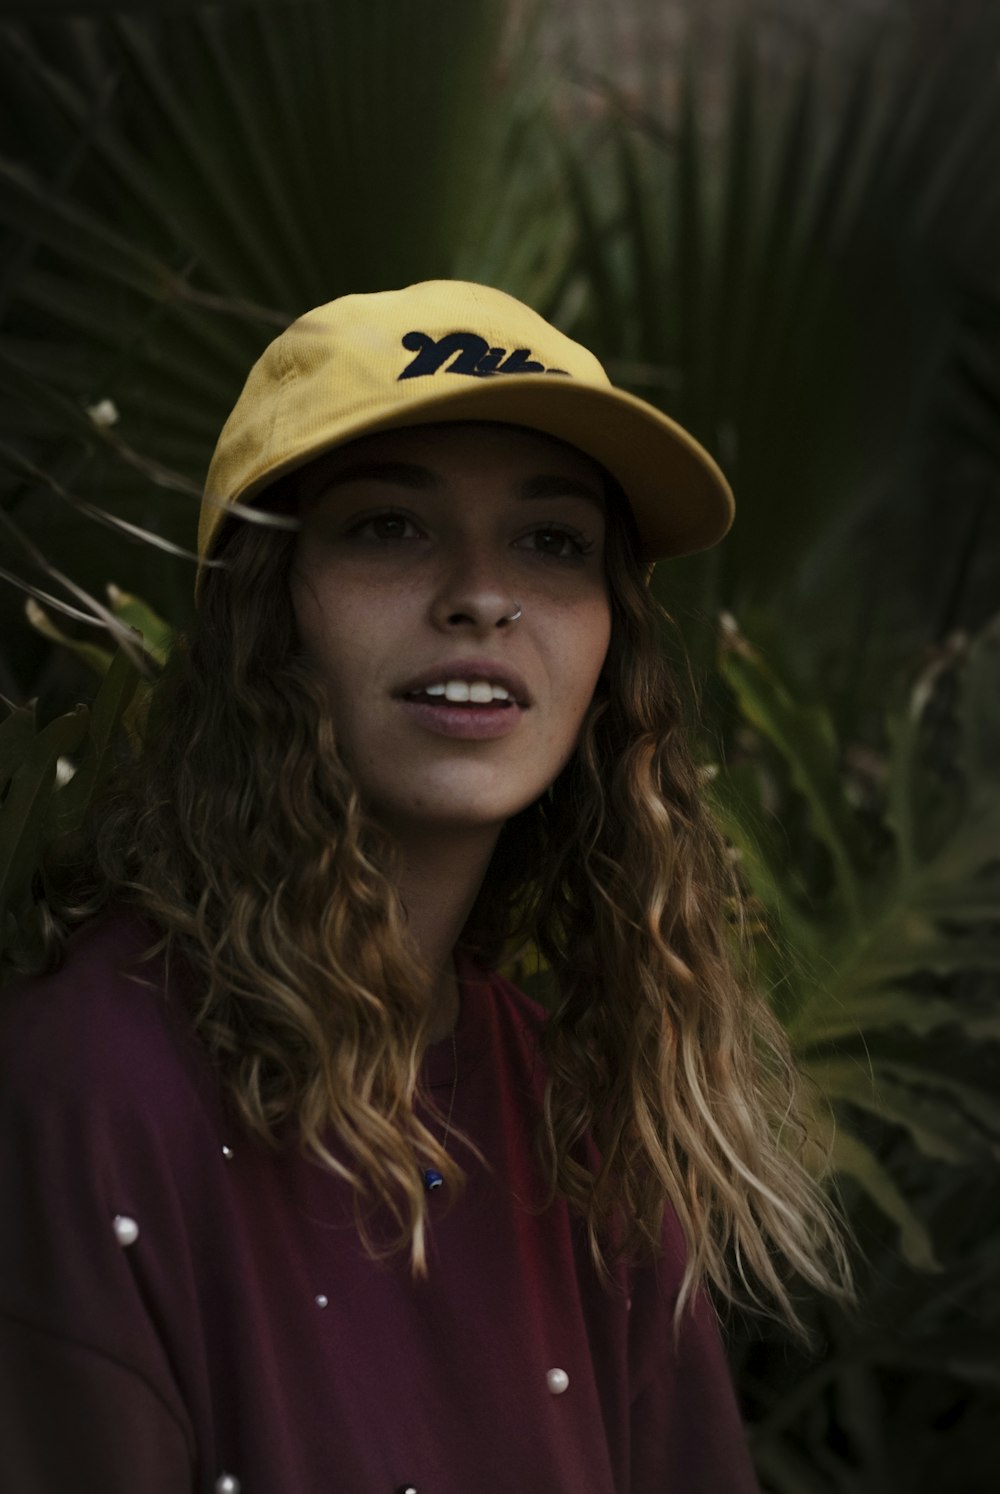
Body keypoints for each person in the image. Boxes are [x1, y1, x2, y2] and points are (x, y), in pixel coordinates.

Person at [0, 281, 849, 1493]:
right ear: (262, 610)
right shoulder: (83, 1090)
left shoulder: (586, 1117)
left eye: (552, 541)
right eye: (389, 527)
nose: (480, 594)